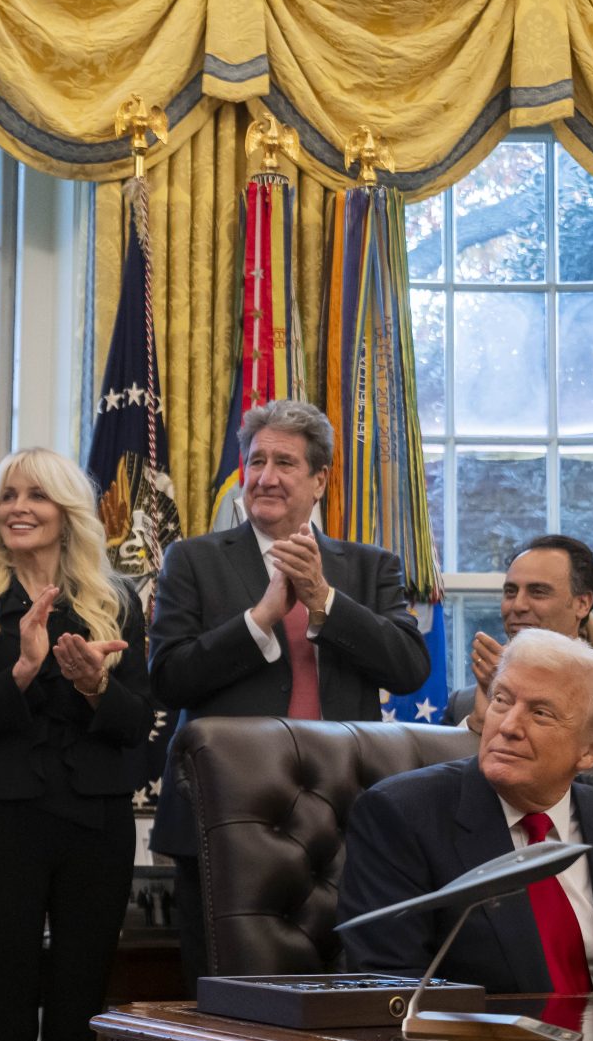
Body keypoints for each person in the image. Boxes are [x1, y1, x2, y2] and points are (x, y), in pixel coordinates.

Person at [147, 398, 429, 985]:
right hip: (225, 818)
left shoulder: (369, 567)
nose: (265, 477)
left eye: (285, 463)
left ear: (320, 479)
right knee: (225, 996)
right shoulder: (193, 560)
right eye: (256, 461)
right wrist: (260, 619)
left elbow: (408, 667)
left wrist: (325, 601)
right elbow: (169, 678)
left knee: (342, 989)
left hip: (343, 820)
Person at [0, 448, 151, 1041]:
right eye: (8, 495)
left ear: (67, 512)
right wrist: (24, 671)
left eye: (36, 495)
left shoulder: (116, 601)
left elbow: (138, 725)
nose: (18, 508)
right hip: (4, 822)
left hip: (96, 823)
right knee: (3, 1003)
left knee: (79, 1004)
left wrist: (95, 686)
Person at [340, 629, 593, 993]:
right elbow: (393, 988)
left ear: (590, 752)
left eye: (540, 713)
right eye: (502, 700)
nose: (507, 726)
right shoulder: (401, 817)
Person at [443, 533, 593, 802]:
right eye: (510, 592)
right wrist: (477, 724)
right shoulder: (463, 702)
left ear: (582, 603)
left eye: (538, 592)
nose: (518, 605)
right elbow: (436, 790)